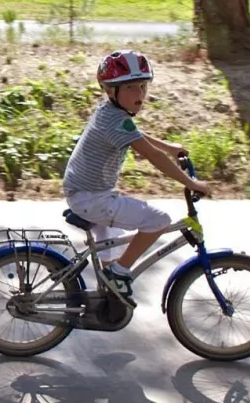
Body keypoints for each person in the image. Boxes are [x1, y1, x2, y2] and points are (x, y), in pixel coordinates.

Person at [60, 49, 211, 304]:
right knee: (158, 220)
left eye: (143, 86)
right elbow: (152, 155)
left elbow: (137, 136)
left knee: (111, 239)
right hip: (92, 198)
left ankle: (107, 293)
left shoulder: (110, 112)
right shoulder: (116, 121)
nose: (140, 94)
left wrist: (170, 147)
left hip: (86, 193)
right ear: (110, 90)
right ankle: (118, 273)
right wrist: (191, 183)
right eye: (130, 87)